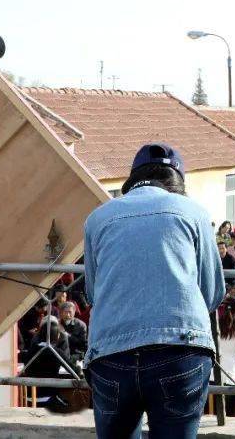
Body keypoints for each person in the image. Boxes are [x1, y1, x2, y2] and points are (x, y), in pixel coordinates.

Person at [82, 143, 225, 439]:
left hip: (111, 354)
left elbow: (93, 293)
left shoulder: (98, 218)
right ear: (177, 182)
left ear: (132, 179)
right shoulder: (194, 213)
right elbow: (211, 293)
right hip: (181, 350)